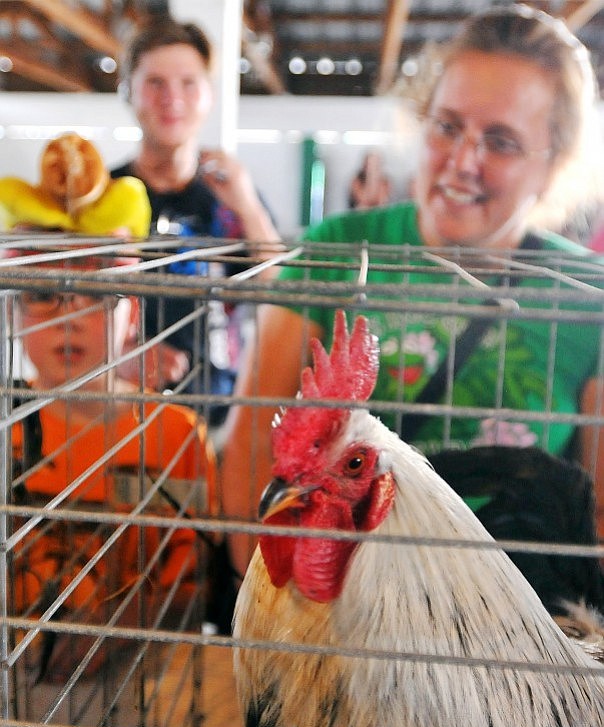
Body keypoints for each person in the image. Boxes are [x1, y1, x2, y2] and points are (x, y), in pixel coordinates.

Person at [220, 4, 604, 577]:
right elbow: (254, 439)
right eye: (447, 126)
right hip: (339, 599)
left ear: (553, 165)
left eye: (500, 141)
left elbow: (596, 511)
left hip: (516, 613)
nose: (463, 162)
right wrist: (268, 601)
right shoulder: (337, 250)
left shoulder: (587, 295)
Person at [8, 252, 221, 681]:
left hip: (147, 678)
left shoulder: (175, 435)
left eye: (97, 294)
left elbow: (198, 584)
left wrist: (120, 628)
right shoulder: (5, 426)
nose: (69, 317)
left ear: (133, 313)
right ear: (12, 314)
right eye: (43, 294)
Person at [111, 19, 281, 425]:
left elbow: (278, 289)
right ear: (129, 92)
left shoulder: (231, 196)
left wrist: (249, 207)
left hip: (219, 416)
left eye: (188, 83)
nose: (172, 98)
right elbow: (66, 310)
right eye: (155, 82)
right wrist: (117, 356)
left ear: (208, 96)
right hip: (117, 417)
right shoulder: (105, 195)